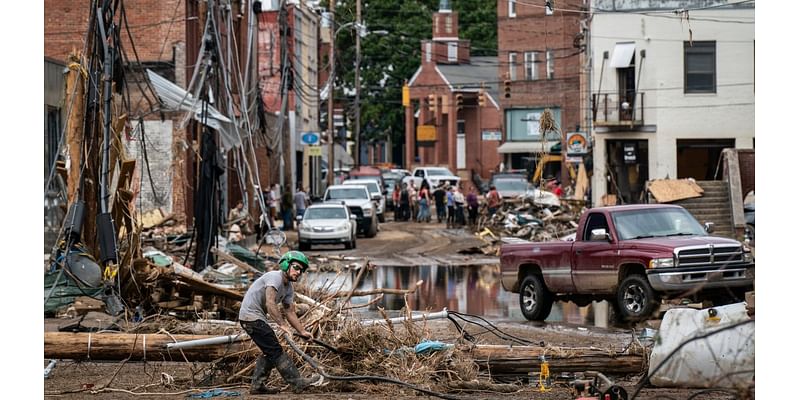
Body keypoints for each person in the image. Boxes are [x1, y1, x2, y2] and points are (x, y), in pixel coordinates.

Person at [238, 251, 323, 394]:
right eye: (296, 267)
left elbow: (289, 311)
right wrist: (282, 325)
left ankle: (257, 386)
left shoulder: (288, 288)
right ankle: (297, 382)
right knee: (275, 350)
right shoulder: (274, 277)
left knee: (269, 351)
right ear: (285, 265)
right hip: (250, 317)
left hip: (256, 318)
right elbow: (270, 303)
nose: (298, 272)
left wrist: (302, 331)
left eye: (301, 270)